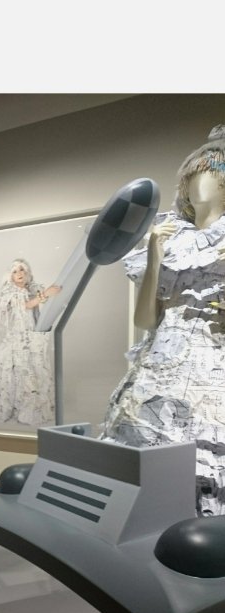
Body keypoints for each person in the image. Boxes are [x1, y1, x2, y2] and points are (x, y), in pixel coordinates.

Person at [100, 125, 225, 516]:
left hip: (212, 366)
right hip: (157, 366)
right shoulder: (168, 235)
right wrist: (155, 255)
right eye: (194, 174)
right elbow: (146, 320)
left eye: (212, 172)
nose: (200, 183)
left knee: (203, 459)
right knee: (142, 448)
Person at [0, 258, 60, 425]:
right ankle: (11, 404)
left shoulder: (30, 289)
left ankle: (30, 403)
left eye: (22, 270)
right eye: (15, 271)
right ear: (10, 276)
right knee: (17, 367)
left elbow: (36, 302)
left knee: (32, 366)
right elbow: (25, 305)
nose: (19, 273)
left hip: (31, 334)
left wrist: (44, 294)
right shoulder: (9, 292)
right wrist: (45, 294)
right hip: (18, 336)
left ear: (27, 273)